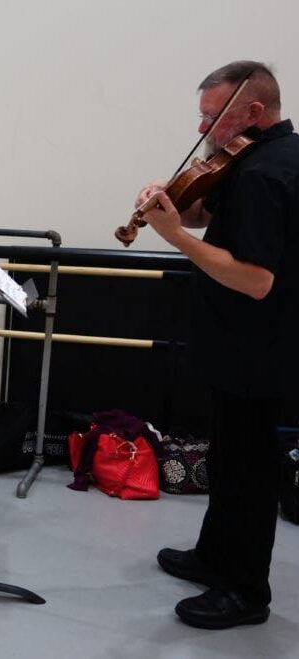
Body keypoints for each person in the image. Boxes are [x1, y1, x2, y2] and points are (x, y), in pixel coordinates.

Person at [136, 61, 299, 629]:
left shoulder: (264, 173)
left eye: (214, 118)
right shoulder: (257, 157)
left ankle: (246, 592)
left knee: (250, 472)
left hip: (258, 351)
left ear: (254, 111)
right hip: (243, 349)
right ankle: (214, 557)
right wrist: (177, 207)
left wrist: (174, 235)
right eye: (201, 118)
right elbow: (215, 213)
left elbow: (256, 279)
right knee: (228, 460)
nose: (203, 133)